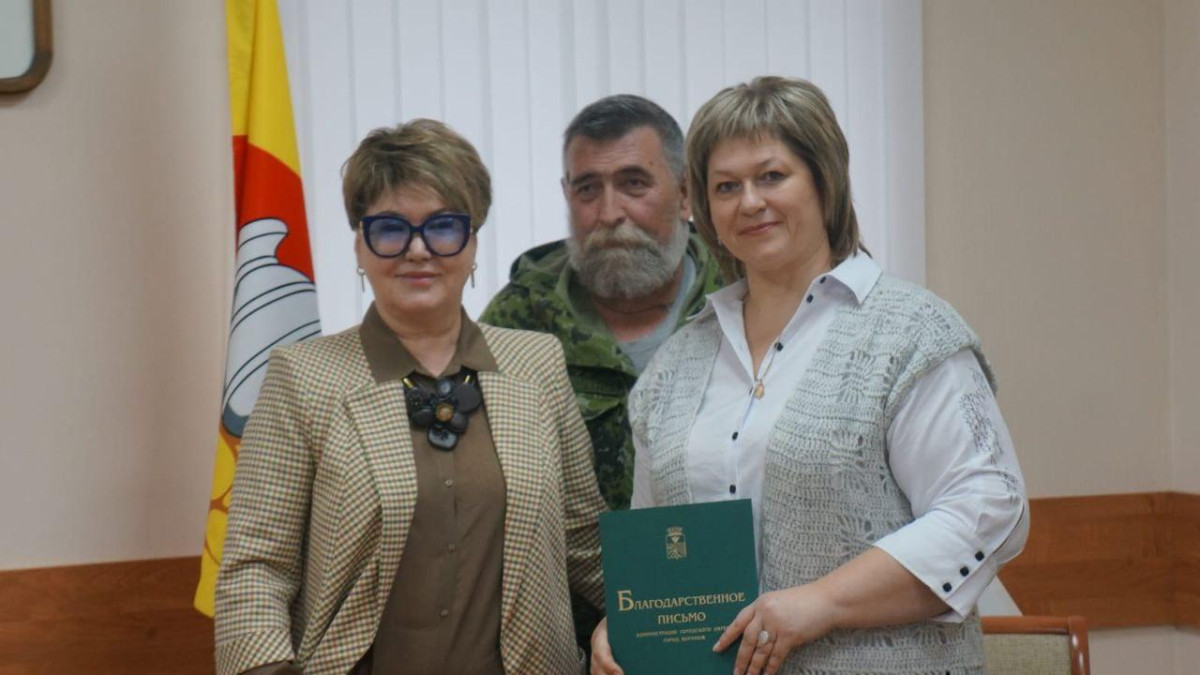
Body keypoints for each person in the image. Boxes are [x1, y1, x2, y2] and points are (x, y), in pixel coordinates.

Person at [591, 76, 1029, 675]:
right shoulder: (675, 365)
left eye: (772, 176)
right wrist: (624, 625)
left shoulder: (910, 333)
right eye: (726, 186)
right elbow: (655, 547)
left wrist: (822, 603)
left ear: (825, 181)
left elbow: (989, 510)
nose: (750, 202)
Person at [214, 119, 606, 675]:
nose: (418, 250)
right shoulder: (302, 378)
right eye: (391, 229)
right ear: (360, 245)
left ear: (473, 242)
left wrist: (673, 617)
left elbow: (586, 544)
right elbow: (256, 567)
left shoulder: (536, 364)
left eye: (443, 227)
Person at [481, 94, 723, 649]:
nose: (609, 213)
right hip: (566, 638)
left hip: (734, 625)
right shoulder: (519, 320)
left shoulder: (743, 296)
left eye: (634, 184)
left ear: (686, 194)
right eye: (587, 189)